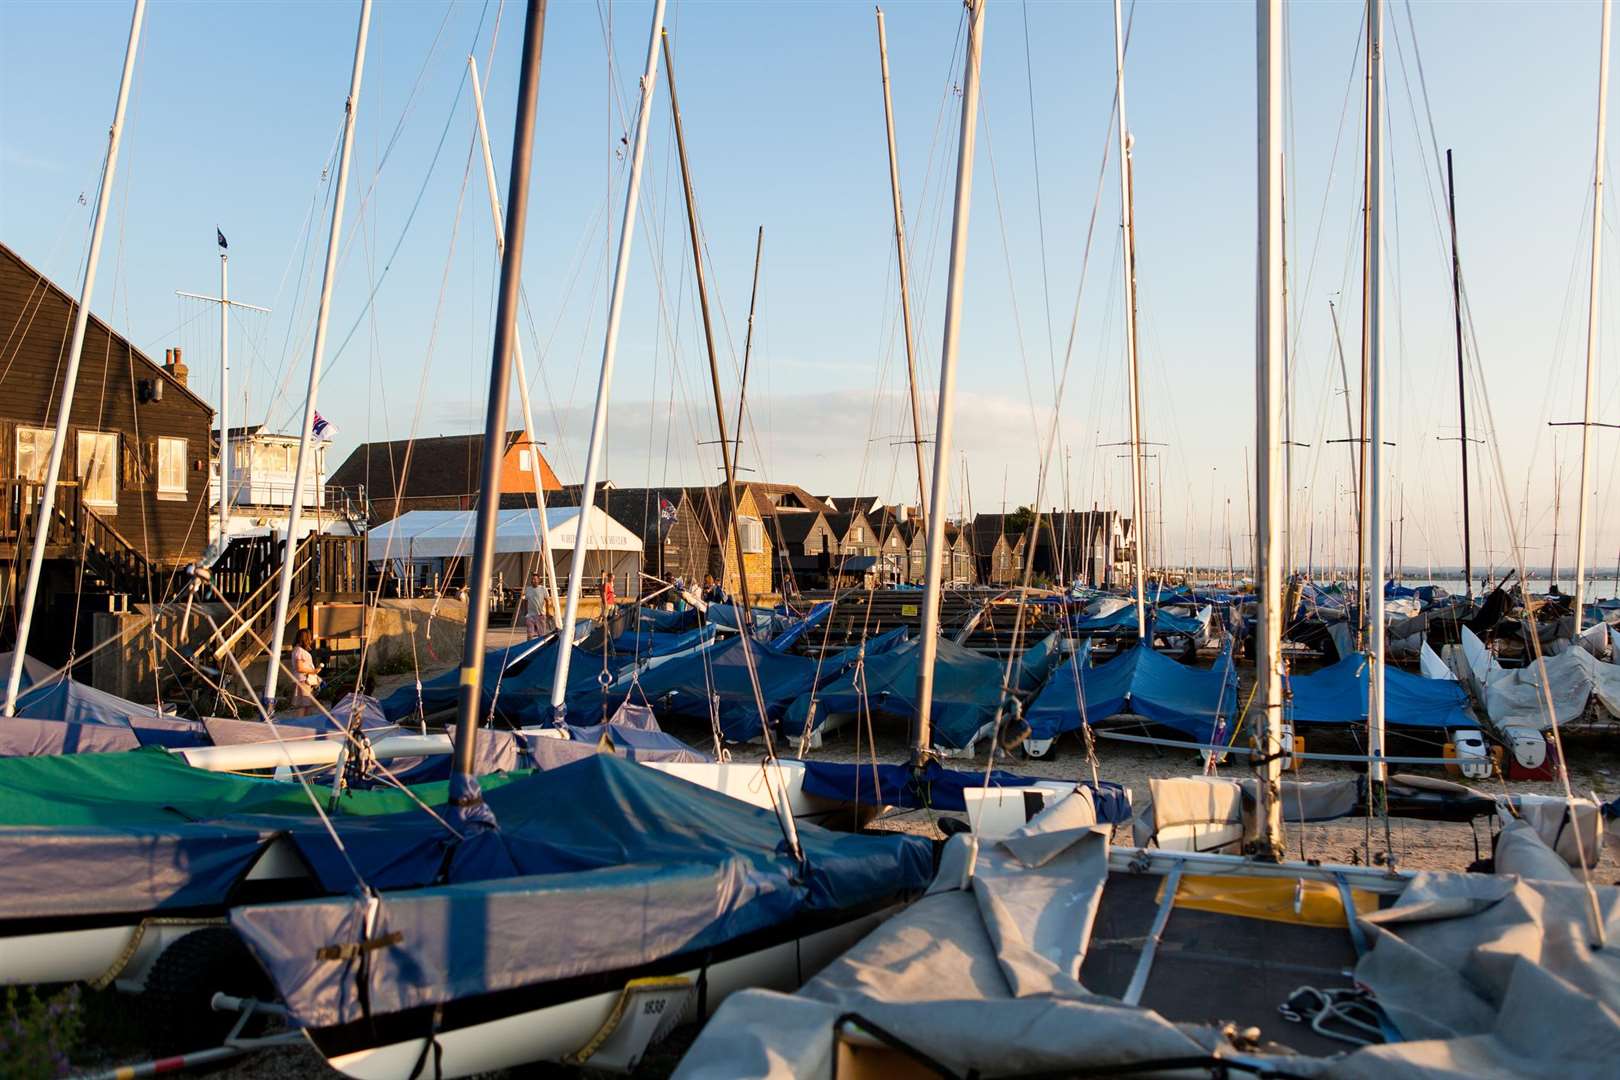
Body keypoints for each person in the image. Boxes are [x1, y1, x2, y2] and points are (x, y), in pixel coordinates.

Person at [290, 628, 323, 713]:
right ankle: (300, 725)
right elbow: (299, 668)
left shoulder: (298, 650)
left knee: (307, 706)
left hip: (304, 681)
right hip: (303, 681)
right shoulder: (299, 651)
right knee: (302, 706)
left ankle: (302, 723)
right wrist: (313, 671)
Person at [523, 572, 550, 638]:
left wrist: (547, 612)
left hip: (540, 615)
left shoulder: (543, 589)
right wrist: (526, 611)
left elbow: (547, 601)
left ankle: (541, 645)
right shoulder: (528, 589)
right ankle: (529, 645)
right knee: (529, 634)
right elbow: (526, 600)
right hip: (530, 615)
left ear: (539, 580)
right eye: (532, 579)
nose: (533, 581)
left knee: (541, 635)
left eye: (535, 579)